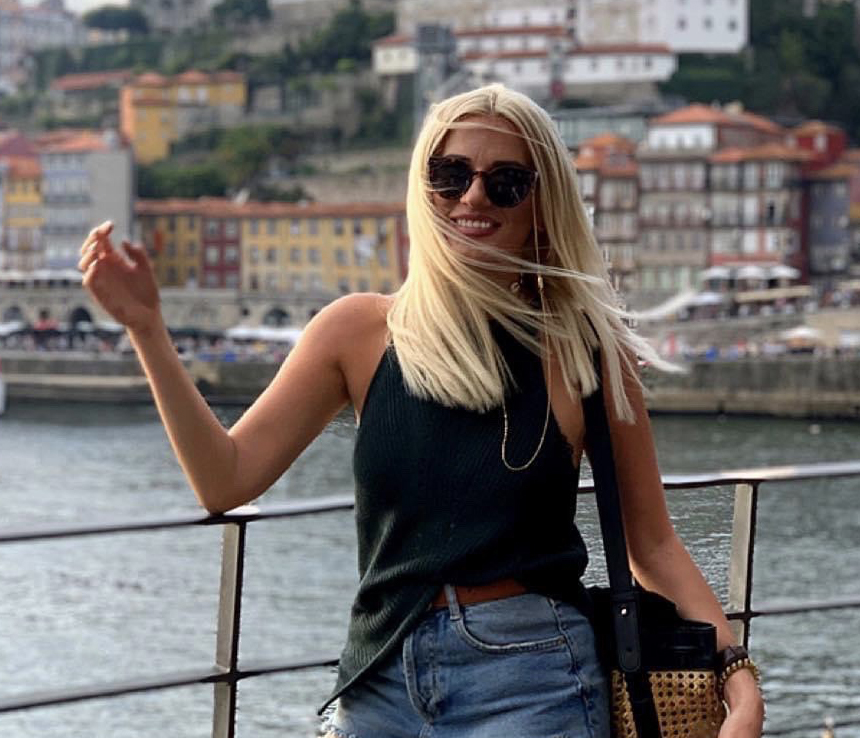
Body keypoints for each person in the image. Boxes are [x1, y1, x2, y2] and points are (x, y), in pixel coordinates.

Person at [79, 84, 764, 738]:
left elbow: (652, 544)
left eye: (505, 181)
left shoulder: (585, 351)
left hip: (531, 678)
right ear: (424, 184)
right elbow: (224, 479)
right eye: (450, 174)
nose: (472, 196)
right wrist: (148, 331)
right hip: (380, 677)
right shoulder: (356, 333)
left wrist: (735, 671)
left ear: (540, 202)